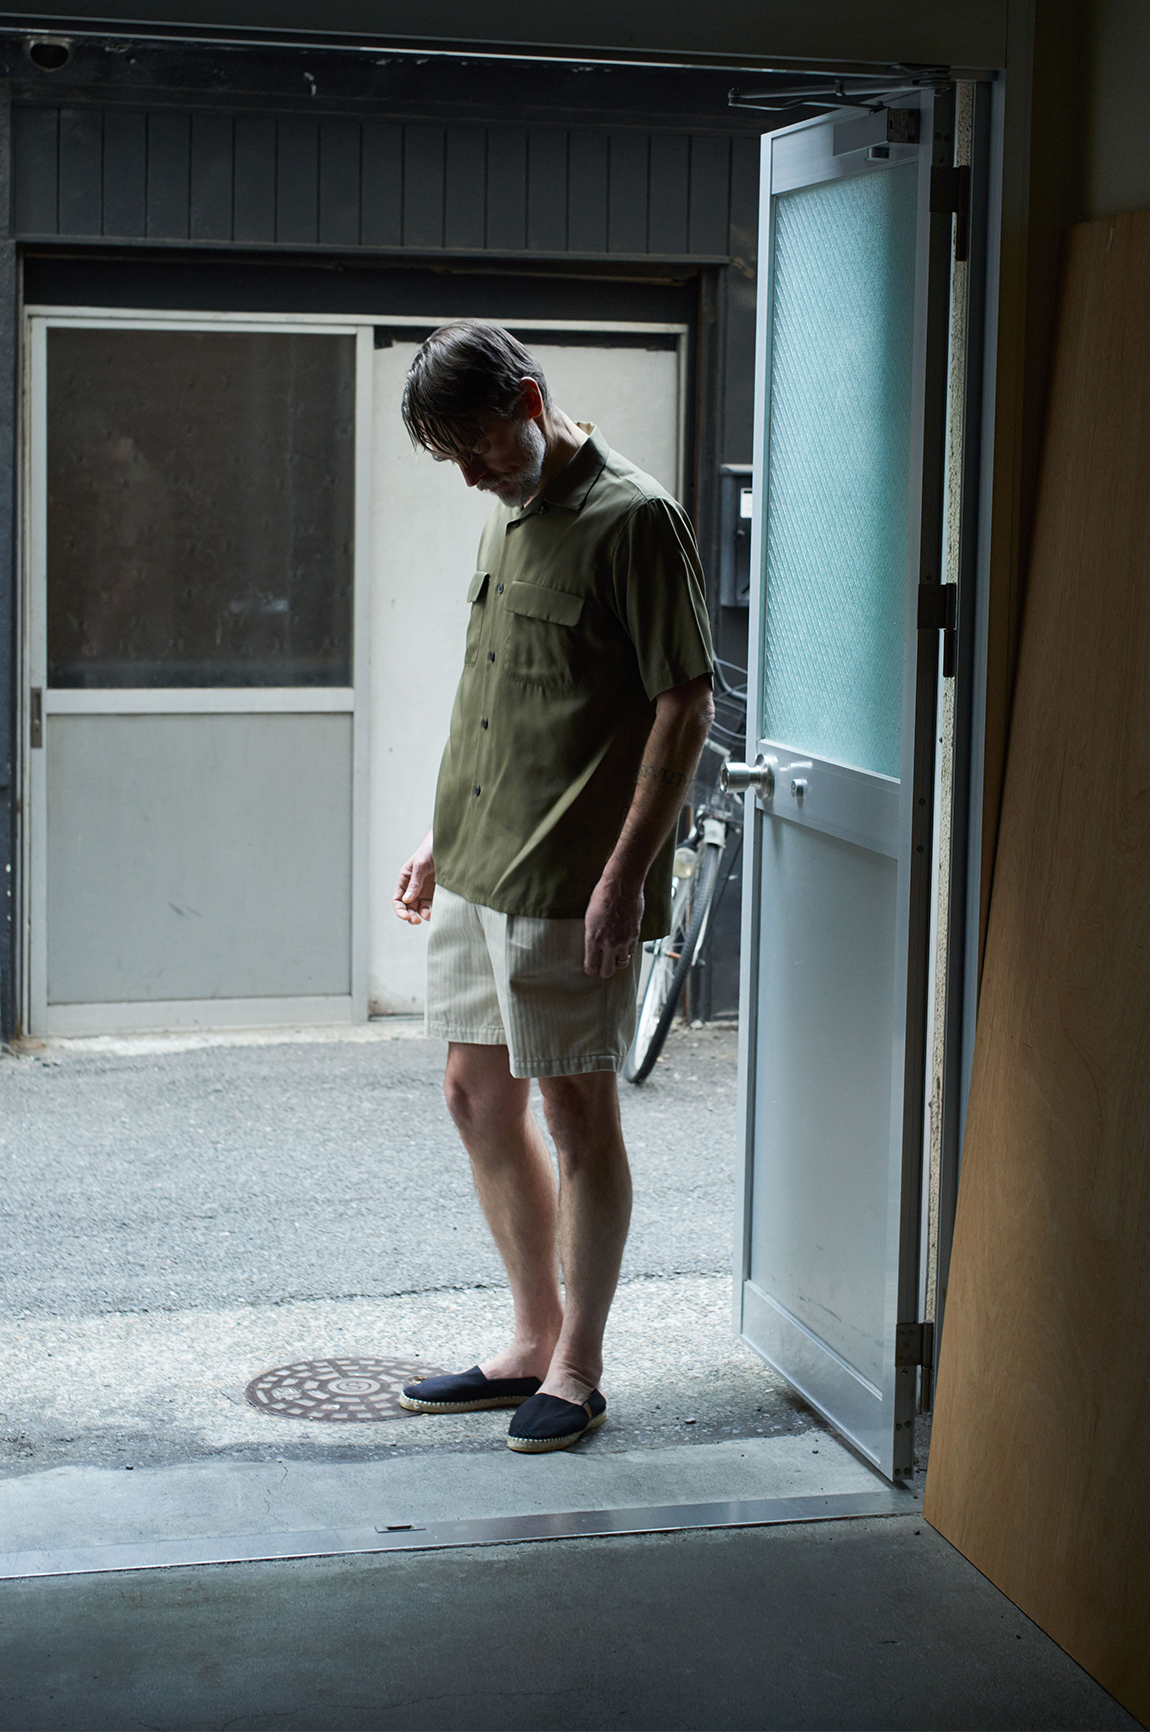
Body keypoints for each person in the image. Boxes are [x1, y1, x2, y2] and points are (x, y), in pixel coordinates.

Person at [392, 320, 714, 1453]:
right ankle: (530, 1335)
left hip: (569, 880)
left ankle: (578, 1363)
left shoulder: (635, 519)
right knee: (474, 1095)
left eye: (476, 447)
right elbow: (493, 692)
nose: (468, 476)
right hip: (481, 861)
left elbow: (686, 703)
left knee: (578, 1113)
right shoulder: (508, 507)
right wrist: (441, 835)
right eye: (451, 459)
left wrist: (627, 877)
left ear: (529, 400)